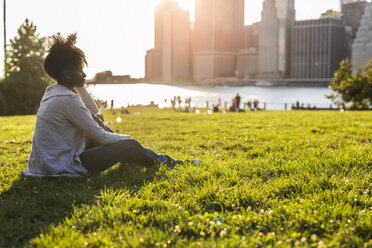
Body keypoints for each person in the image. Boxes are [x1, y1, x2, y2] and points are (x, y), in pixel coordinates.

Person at [23, 34, 200, 177]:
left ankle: (133, 155)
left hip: (51, 162)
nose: (84, 73)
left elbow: (92, 112)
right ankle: (169, 162)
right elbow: (103, 138)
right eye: (80, 69)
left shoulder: (53, 93)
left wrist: (78, 85)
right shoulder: (67, 99)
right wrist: (128, 140)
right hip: (64, 165)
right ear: (68, 74)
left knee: (96, 119)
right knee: (130, 145)